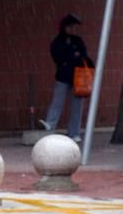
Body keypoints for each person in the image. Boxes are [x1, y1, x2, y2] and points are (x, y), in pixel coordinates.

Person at [39, 13, 95, 143]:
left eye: (74, 27)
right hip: (63, 76)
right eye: (70, 27)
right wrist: (73, 56)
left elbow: (82, 55)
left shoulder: (78, 40)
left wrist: (73, 56)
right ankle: (50, 125)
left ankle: (74, 132)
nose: (73, 29)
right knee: (57, 101)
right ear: (64, 27)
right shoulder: (58, 41)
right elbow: (59, 56)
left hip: (78, 77)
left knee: (77, 106)